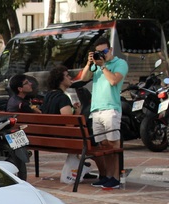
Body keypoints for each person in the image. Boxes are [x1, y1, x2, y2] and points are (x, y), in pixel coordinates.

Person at [80, 37, 128, 189]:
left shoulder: (119, 63)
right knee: (103, 146)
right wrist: (89, 63)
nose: (102, 55)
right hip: (97, 109)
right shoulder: (96, 65)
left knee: (113, 146)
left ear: (111, 50)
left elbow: (114, 81)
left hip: (111, 108)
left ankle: (115, 177)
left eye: (105, 51)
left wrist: (103, 67)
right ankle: (107, 176)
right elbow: (83, 78)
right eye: (99, 52)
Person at [41, 66, 96, 181]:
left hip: (47, 137)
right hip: (62, 139)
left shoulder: (48, 96)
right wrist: (77, 114)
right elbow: (69, 124)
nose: (70, 77)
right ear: (60, 80)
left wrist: (75, 111)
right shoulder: (63, 98)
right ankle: (105, 174)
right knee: (97, 141)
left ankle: (82, 168)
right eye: (67, 75)